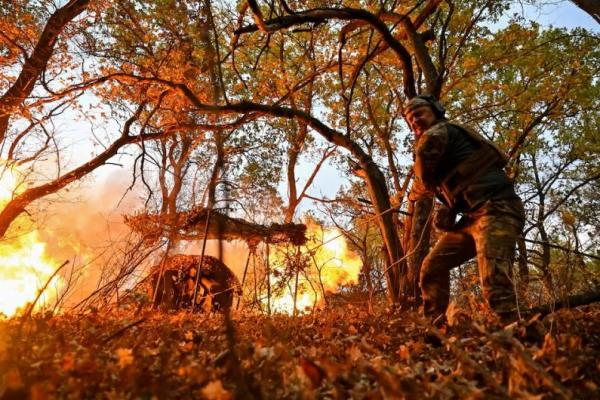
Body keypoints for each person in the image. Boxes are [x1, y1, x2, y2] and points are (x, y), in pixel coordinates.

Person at [404, 94, 525, 324]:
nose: (415, 121)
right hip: (472, 219)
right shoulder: (443, 148)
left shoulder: (437, 133)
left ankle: (524, 341)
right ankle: (435, 333)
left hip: (497, 210)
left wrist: (410, 196)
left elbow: (422, 181)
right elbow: (451, 185)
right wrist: (450, 208)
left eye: (418, 114)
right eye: (410, 120)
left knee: (495, 285)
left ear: (436, 111)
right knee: (432, 267)